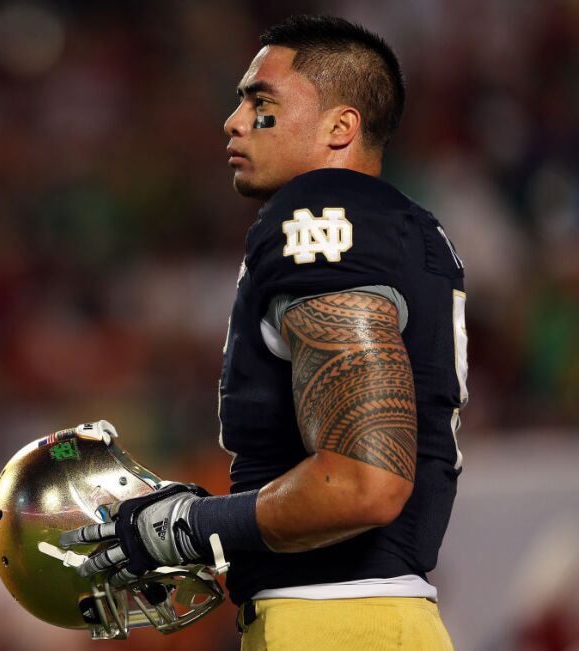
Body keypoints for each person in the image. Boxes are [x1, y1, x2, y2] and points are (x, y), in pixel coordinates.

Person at [61, 14, 467, 650]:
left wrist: (189, 526)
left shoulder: (319, 219)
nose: (234, 119)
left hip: (332, 624)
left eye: (262, 101)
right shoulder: (400, 227)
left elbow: (364, 481)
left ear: (341, 127)